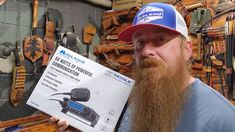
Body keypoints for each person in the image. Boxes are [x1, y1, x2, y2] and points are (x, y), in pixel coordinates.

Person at [50, 2, 235, 132]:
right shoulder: (130, 102)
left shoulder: (223, 119)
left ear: (187, 50)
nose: (146, 51)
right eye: (139, 43)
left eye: (159, 40)